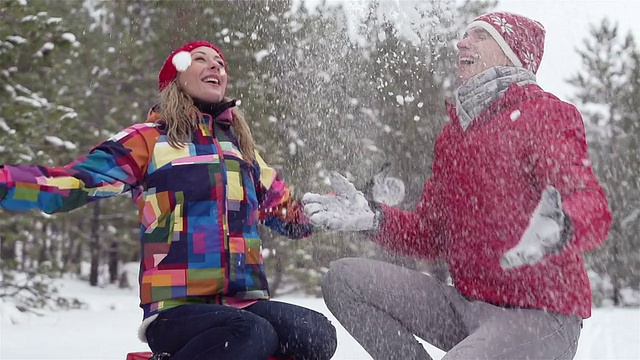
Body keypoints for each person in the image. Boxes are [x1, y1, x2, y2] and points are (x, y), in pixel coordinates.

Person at [303, 11, 612, 360]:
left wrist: (562, 223)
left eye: (480, 36)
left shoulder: (544, 114)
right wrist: (374, 219)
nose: (462, 42)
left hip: (538, 316)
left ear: (512, 52)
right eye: (465, 35)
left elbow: (589, 201)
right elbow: (431, 235)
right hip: (465, 307)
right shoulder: (455, 134)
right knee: (343, 280)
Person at [0, 40, 337, 360]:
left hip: (243, 303)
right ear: (175, 77)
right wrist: (6, 183)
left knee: (314, 333)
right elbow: (75, 183)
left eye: (220, 62)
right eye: (201, 59)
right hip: (176, 310)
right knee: (250, 333)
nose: (215, 66)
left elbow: (289, 217)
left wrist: (332, 212)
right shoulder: (150, 140)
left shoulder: (241, 150)